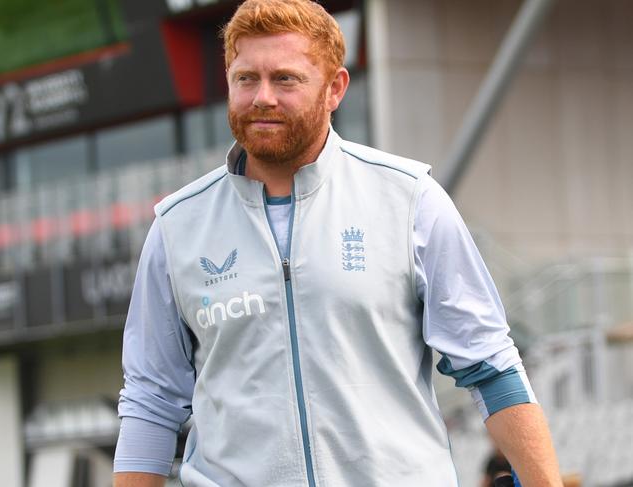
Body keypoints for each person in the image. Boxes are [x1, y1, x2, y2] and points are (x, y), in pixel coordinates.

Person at [113, 1, 563, 486]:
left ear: (335, 89)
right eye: (246, 78)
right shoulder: (177, 225)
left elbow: (491, 367)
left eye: (285, 79)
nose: (262, 97)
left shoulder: (410, 199)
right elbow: (151, 402)